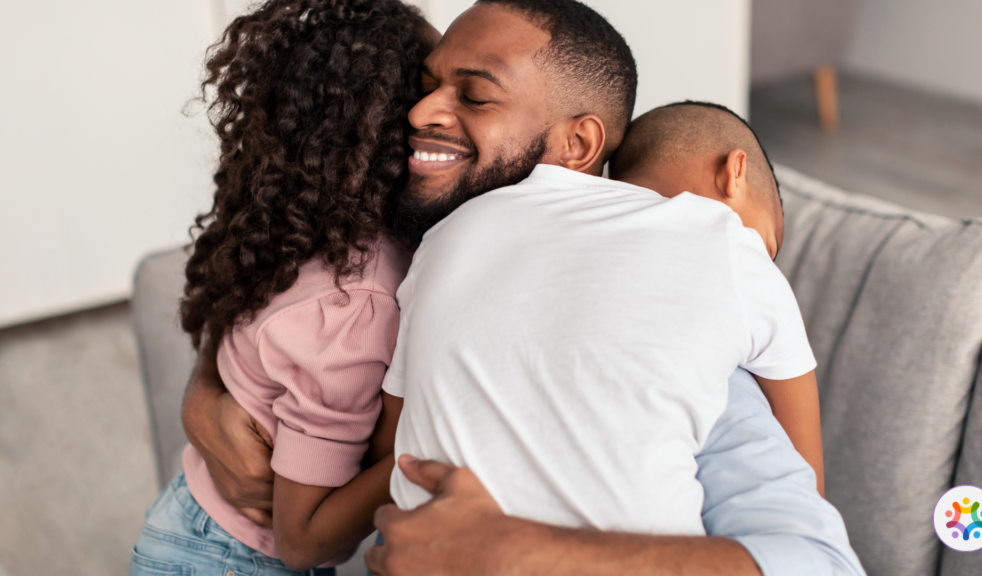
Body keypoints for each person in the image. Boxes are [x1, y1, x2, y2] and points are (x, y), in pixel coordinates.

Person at [184, 0, 866, 574]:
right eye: (421, 89)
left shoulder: (709, 303)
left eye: (474, 94)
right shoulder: (430, 241)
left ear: (579, 145)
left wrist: (524, 550)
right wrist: (210, 390)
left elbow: (811, 547)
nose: (420, 113)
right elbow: (294, 321)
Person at [130, 1, 438, 574]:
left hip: (190, 524)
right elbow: (303, 541)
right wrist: (424, 451)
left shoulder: (293, 219)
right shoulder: (355, 301)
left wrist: (200, 402)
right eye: (433, 88)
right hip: (231, 558)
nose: (443, 110)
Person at [611, 99, 826, 496]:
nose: (765, 259)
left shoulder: (547, 210)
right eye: (768, 242)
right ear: (735, 172)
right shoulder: (742, 259)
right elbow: (805, 480)